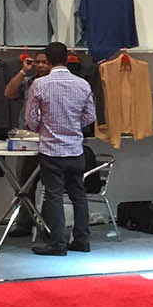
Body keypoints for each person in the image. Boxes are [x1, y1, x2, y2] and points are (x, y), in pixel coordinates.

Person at [24, 40, 97, 256]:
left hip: (51, 150)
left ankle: (58, 243)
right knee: (78, 195)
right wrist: (72, 125)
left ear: (48, 60)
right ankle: (82, 240)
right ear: (66, 59)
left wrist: (43, 127)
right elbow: (90, 116)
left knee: (53, 196)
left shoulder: (40, 84)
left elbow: (30, 119)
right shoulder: (82, 84)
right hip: (75, 149)